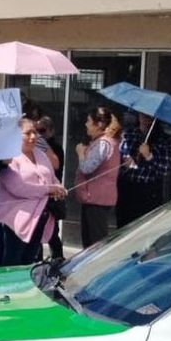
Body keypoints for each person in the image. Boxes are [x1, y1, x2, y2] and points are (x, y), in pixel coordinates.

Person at [0, 118, 67, 266]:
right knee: (13, 262)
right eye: (28, 133)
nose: (33, 136)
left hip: (40, 217)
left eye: (35, 132)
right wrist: (49, 190)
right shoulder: (9, 157)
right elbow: (19, 188)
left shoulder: (40, 154)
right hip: (17, 220)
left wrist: (59, 188)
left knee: (29, 261)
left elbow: (52, 177)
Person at [74, 106, 122, 249]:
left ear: (99, 124)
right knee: (90, 241)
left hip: (97, 200)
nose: (86, 124)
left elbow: (87, 167)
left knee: (95, 243)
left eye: (89, 121)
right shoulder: (103, 141)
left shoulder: (103, 143)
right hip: (93, 199)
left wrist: (80, 153)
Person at [116, 112, 171, 227]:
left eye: (148, 117)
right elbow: (118, 155)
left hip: (148, 190)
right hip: (128, 187)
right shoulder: (129, 134)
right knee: (123, 224)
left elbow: (164, 169)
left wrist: (149, 156)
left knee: (143, 227)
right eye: (142, 116)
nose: (144, 120)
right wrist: (125, 161)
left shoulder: (164, 141)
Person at [35, 116, 65, 261]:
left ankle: (58, 259)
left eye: (42, 130)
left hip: (51, 197)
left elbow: (56, 166)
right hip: (39, 195)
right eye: (36, 130)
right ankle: (37, 259)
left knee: (52, 233)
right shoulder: (35, 147)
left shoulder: (55, 148)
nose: (38, 134)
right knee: (36, 232)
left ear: (51, 131)